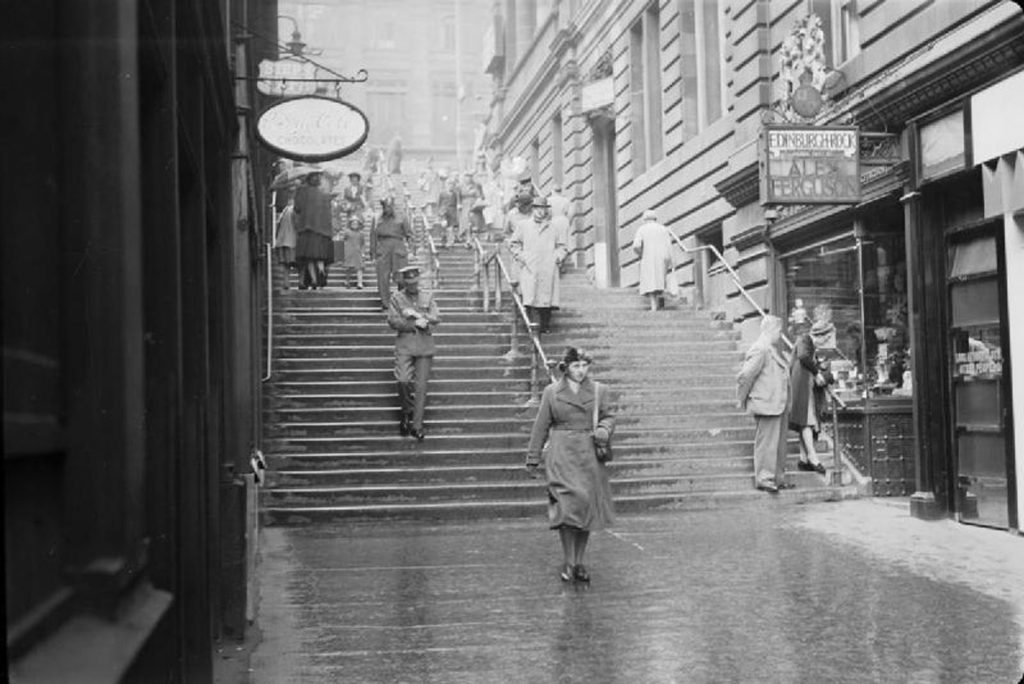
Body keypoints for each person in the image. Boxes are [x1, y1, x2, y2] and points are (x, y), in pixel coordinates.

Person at [525, 346, 615, 583]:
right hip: (561, 455)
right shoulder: (552, 392)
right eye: (576, 366)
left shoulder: (599, 391)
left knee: (585, 508)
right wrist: (533, 458)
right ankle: (569, 561)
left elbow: (608, 416)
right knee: (566, 509)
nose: (581, 371)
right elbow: (541, 425)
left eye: (585, 366)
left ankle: (580, 562)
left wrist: (604, 429)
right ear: (566, 368)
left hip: (588, 455)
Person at [736, 315, 791, 493]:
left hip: (777, 403)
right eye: (779, 331)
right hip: (767, 404)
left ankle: (777, 478)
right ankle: (765, 478)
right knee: (766, 444)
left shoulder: (769, 348)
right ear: (771, 330)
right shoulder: (760, 349)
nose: (780, 334)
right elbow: (745, 376)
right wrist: (743, 399)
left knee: (778, 444)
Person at [387, 265, 441, 440]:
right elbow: (393, 321)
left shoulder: (427, 296)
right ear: (404, 282)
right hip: (405, 344)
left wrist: (419, 316)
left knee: (421, 388)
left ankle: (417, 425)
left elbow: (436, 317)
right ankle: (406, 411)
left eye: (415, 282)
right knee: (403, 380)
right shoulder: (397, 298)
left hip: (424, 345)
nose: (412, 285)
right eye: (409, 282)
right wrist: (412, 324)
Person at [510, 196, 568, 334]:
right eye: (538, 209)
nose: (541, 212)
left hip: (548, 266)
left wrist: (558, 257)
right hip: (530, 266)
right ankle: (528, 325)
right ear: (533, 209)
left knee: (546, 298)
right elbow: (514, 244)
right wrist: (522, 257)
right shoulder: (523, 225)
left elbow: (562, 246)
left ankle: (545, 326)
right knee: (529, 296)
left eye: (543, 209)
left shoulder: (553, 227)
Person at [789, 321, 833, 473]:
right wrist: (817, 372)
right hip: (802, 384)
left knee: (805, 421)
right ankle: (813, 458)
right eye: (825, 337)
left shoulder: (808, 343)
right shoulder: (805, 340)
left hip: (803, 384)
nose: (825, 341)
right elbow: (803, 357)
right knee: (807, 421)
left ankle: (804, 459)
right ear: (820, 335)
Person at [292, 170, 334, 290]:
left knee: (309, 257)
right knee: (320, 256)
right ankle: (320, 272)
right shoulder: (324, 193)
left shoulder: (302, 191)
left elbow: (297, 208)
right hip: (323, 231)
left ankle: (314, 279)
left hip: (307, 229)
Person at [371, 197, 412, 310]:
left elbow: (409, 234)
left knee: (402, 277)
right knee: (382, 277)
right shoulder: (377, 219)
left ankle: (402, 303)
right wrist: (373, 254)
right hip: (383, 248)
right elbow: (373, 237)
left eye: (389, 206)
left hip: (398, 246)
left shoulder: (402, 217)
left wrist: (412, 250)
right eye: (385, 206)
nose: (387, 209)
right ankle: (386, 303)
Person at [631, 209, 678, 311]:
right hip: (662, 258)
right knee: (660, 280)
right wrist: (671, 261)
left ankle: (654, 306)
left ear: (644, 219)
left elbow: (636, 245)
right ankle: (659, 303)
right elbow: (669, 245)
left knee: (651, 281)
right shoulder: (663, 229)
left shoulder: (642, 229)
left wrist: (640, 253)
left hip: (648, 257)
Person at [274, 194, 297, 290]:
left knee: (285, 264)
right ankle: (301, 281)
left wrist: (277, 238)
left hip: (282, 240)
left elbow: (278, 226)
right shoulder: (294, 211)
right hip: (292, 241)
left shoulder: (284, 211)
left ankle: (286, 282)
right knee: (297, 263)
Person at [340, 215, 366, 289]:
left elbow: (363, 244)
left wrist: (363, 252)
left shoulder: (361, 233)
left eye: (356, 223)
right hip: (348, 251)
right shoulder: (347, 232)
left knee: (359, 267)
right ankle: (347, 281)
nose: (354, 225)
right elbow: (343, 240)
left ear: (359, 225)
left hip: (358, 252)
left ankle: (360, 283)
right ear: (350, 224)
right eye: (353, 223)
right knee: (348, 268)